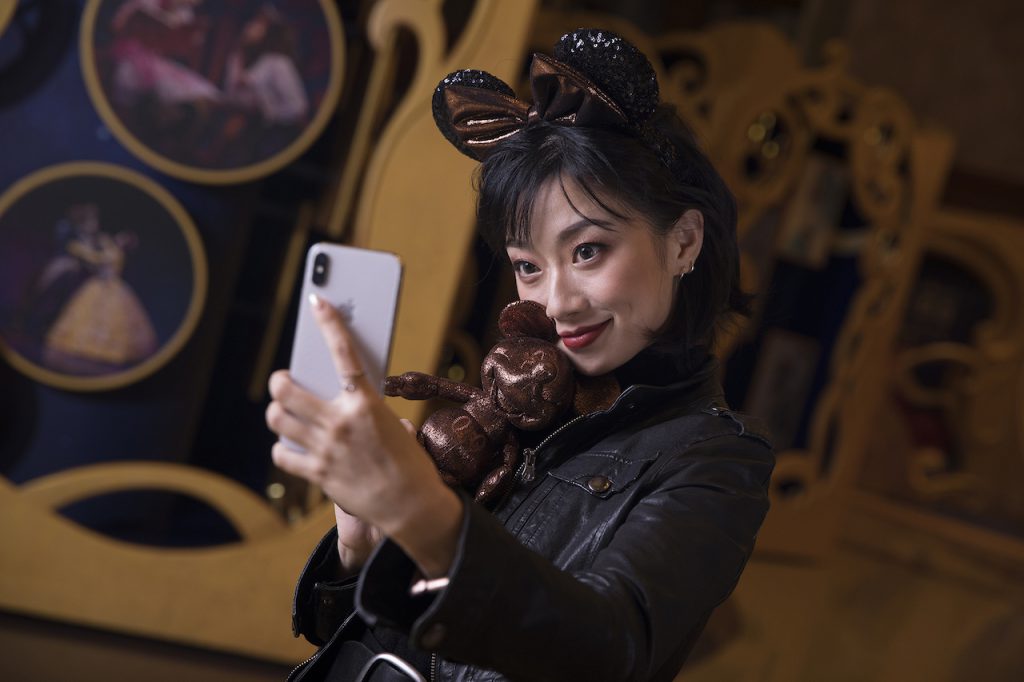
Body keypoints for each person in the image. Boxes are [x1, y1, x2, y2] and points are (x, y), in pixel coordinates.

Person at [266, 28, 774, 682]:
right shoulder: (519, 400)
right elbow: (360, 643)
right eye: (528, 266)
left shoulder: (717, 458)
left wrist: (420, 514)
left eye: (588, 250)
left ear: (683, 242)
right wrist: (359, 550)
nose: (556, 303)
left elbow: (605, 651)